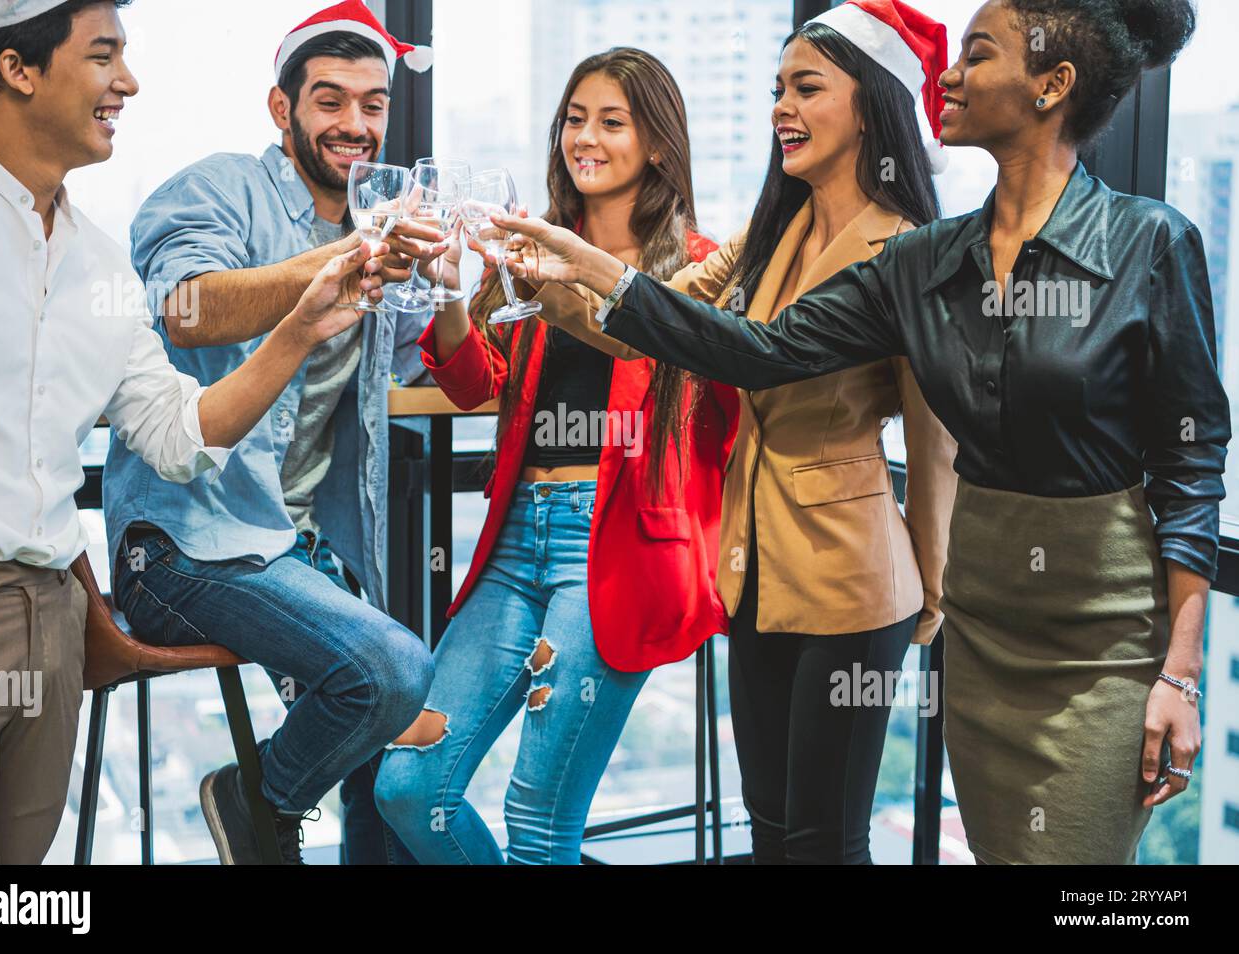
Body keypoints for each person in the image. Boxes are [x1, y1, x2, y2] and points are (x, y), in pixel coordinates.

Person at [489, 0, 1229, 866]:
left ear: (1051, 86)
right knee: (833, 839)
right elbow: (754, 349)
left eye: (977, 55)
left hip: (1086, 625)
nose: (946, 75)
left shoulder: (1147, 241)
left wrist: (1180, 669)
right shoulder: (921, 260)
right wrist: (568, 271)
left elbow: (1182, 459)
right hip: (966, 619)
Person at [0, 0, 389, 864]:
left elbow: (179, 434)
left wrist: (298, 327)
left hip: (56, 612)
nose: (129, 81)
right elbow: (192, 312)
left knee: (21, 875)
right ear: (17, 68)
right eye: (104, 55)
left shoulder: (97, 262)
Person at [537, 0, 958, 864]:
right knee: (769, 832)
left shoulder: (906, 251)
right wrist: (549, 283)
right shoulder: (774, 230)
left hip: (855, 578)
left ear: (872, 105)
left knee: (824, 841)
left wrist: (934, 584)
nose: (780, 108)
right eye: (776, 89)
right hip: (755, 568)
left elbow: (928, 435)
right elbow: (655, 327)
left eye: (806, 87)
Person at [373, 48, 739, 865]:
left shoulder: (700, 264)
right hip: (513, 545)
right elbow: (473, 387)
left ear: (657, 142)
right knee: (407, 785)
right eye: (575, 119)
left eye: (613, 122)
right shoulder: (531, 252)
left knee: (539, 825)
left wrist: (570, 292)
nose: (586, 137)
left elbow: (726, 394)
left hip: (609, 548)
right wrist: (449, 286)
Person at [103, 0, 441, 864]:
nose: (355, 124)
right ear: (282, 109)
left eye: (372, 104)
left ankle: (274, 818)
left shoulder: (379, 221)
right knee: (394, 674)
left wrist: (455, 279)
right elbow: (186, 308)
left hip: (302, 546)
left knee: (398, 757)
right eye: (330, 101)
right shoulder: (217, 188)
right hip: (183, 548)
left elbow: (422, 360)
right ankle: (258, 799)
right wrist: (334, 267)